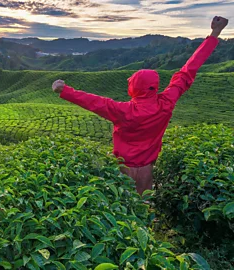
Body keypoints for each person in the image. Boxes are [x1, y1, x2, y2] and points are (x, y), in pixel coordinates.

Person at [52, 16, 229, 195]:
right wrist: (215, 33)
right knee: (146, 207)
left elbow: (93, 102)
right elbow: (189, 69)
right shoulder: (166, 103)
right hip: (147, 169)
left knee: (123, 209)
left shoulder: (122, 111)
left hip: (122, 168)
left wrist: (64, 90)